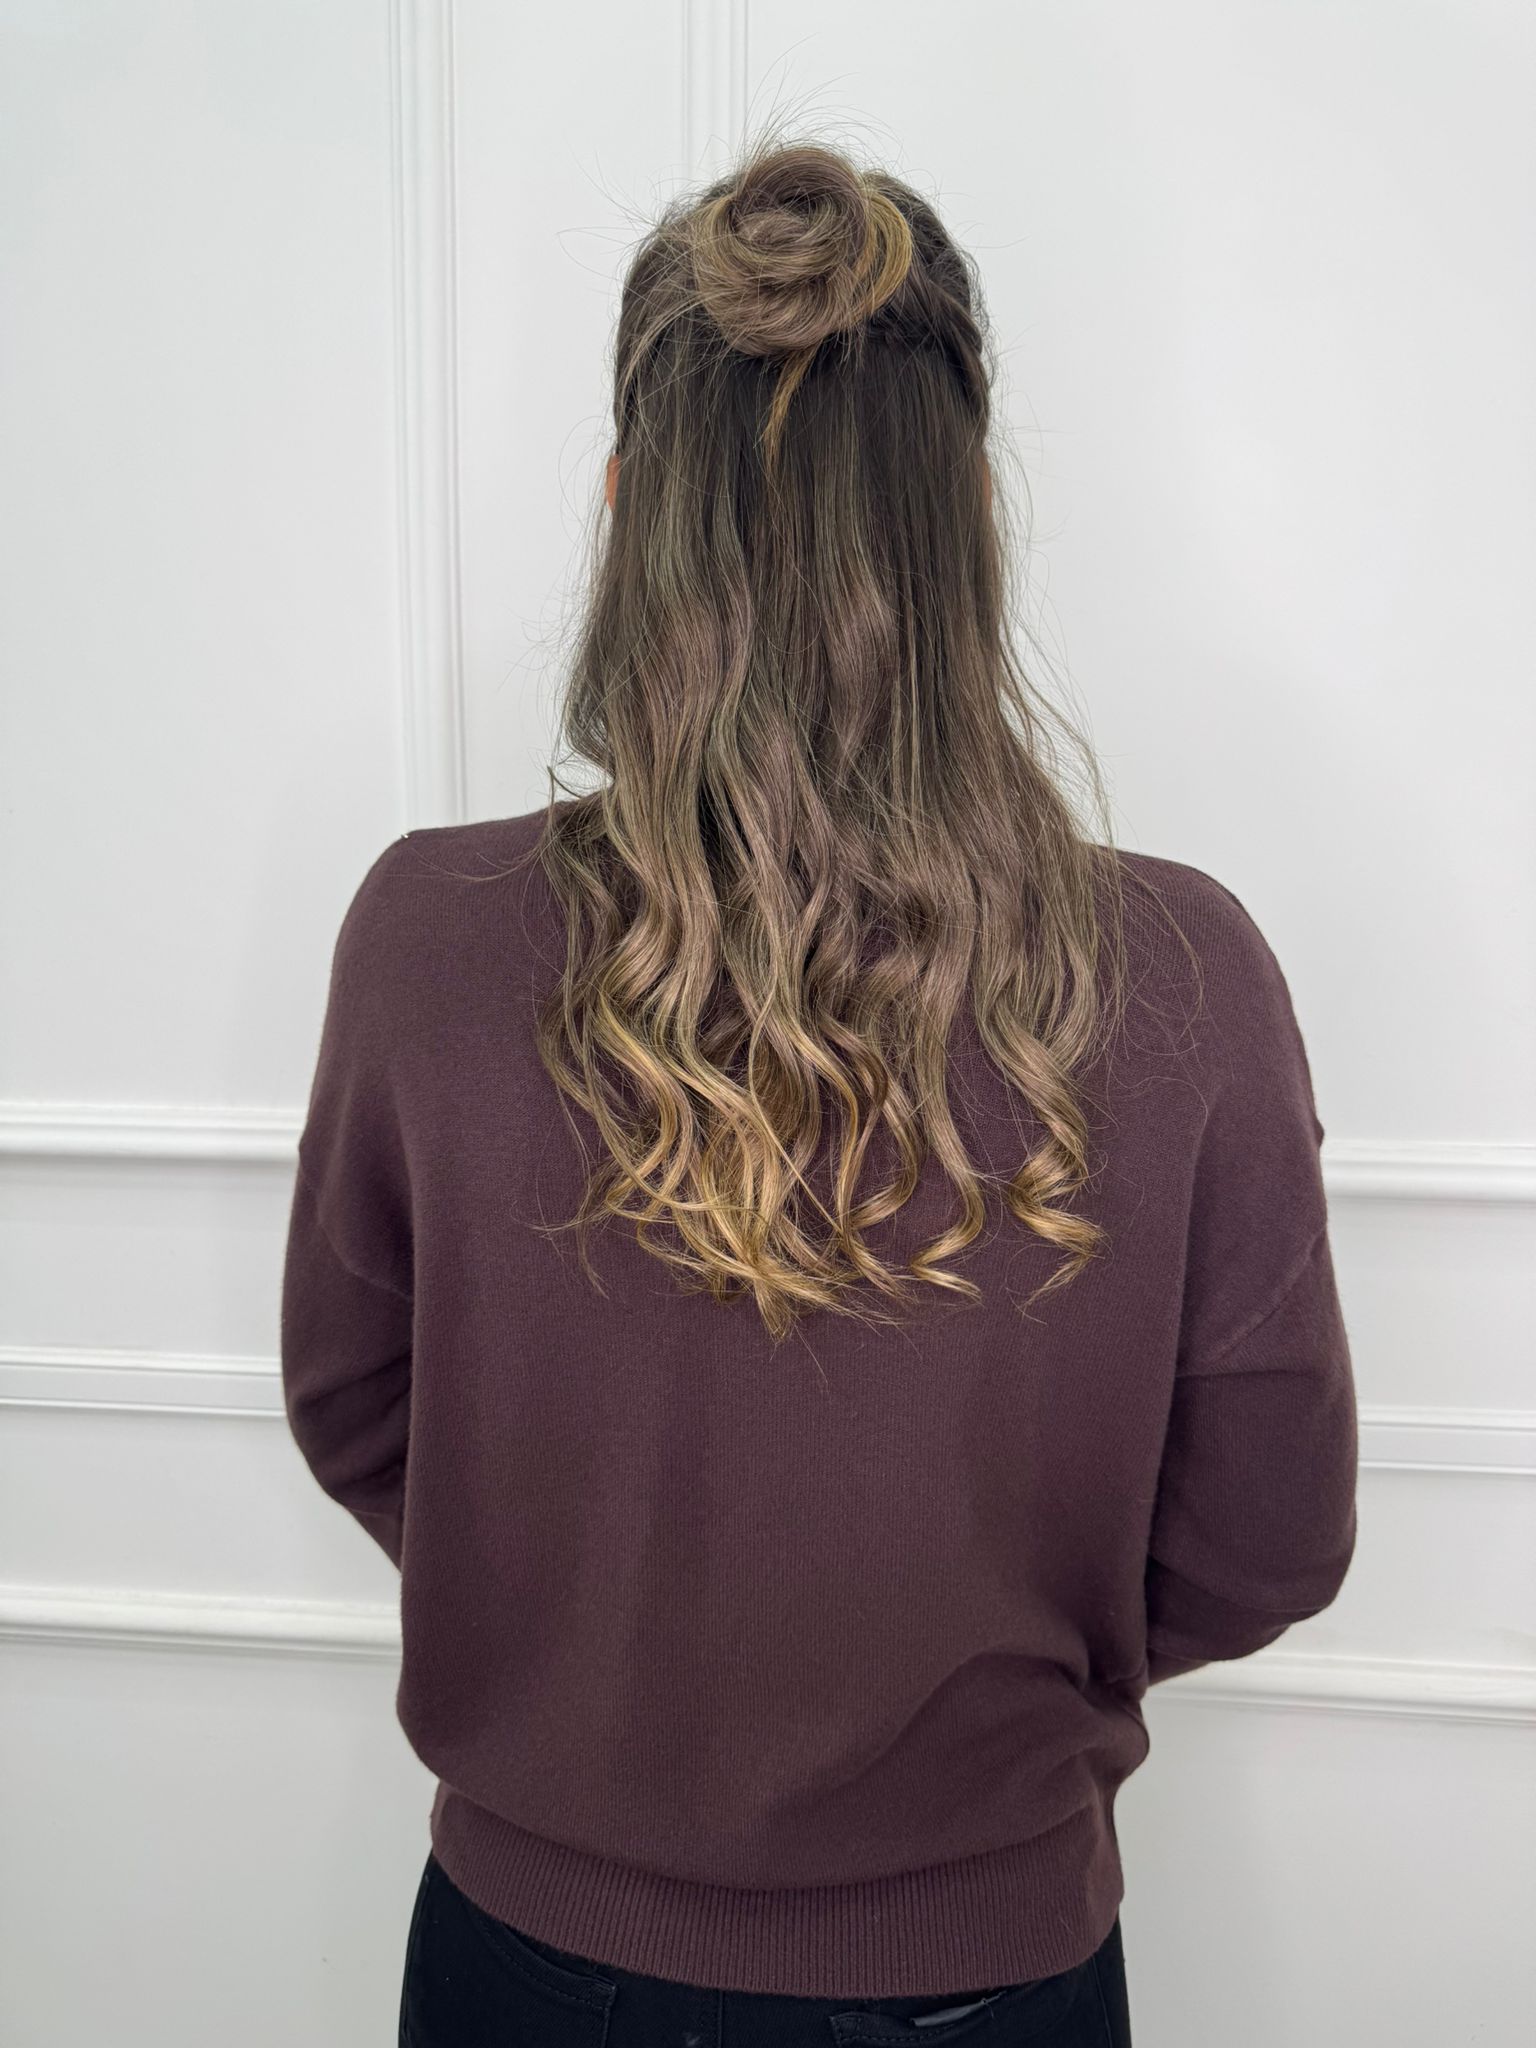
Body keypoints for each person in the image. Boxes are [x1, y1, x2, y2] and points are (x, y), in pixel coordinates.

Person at [281, 130, 1359, 2047]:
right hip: (990, 1974)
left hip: (523, 1961)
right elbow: (1265, 1535)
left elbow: (357, 1404)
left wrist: (582, 1640)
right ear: (973, 530)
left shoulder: (425, 938)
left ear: (626, 512)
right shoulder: (1183, 976)